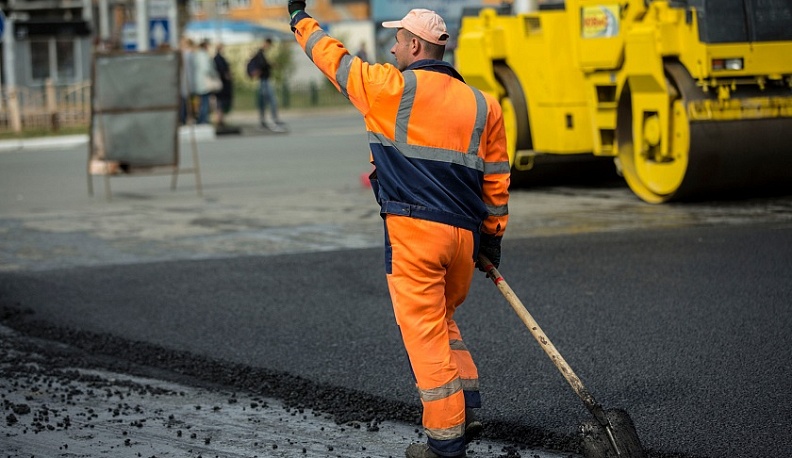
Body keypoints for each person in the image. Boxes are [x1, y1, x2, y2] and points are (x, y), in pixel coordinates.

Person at [288, 4, 510, 458]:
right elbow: (496, 178)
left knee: (425, 336)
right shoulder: (485, 104)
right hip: (464, 240)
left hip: (415, 234)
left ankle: (445, 443)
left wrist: (298, 17)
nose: (391, 48)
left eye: (397, 40)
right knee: (442, 320)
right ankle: (467, 407)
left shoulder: (389, 88)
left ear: (415, 45)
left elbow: (331, 58)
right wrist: (492, 238)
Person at [247, 38, 286, 132]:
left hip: (264, 80)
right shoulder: (260, 53)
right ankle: (273, 120)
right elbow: (262, 65)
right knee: (271, 101)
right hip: (264, 80)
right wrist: (270, 65)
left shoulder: (260, 53)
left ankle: (263, 120)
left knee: (263, 102)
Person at [192, 39, 219, 124]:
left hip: (199, 82)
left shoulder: (196, 55)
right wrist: (214, 74)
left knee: (202, 102)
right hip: (205, 82)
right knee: (205, 102)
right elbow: (206, 69)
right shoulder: (204, 56)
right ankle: (203, 119)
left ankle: (201, 118)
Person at [213, 42, 234, 127]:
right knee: (220, 102)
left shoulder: (218, 58)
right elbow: (221, 71)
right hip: (222, 84)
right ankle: (219, 119)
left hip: (222, 83)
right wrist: (226, 76)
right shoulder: (218, 59)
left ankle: (220, 118)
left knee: (220, 102)